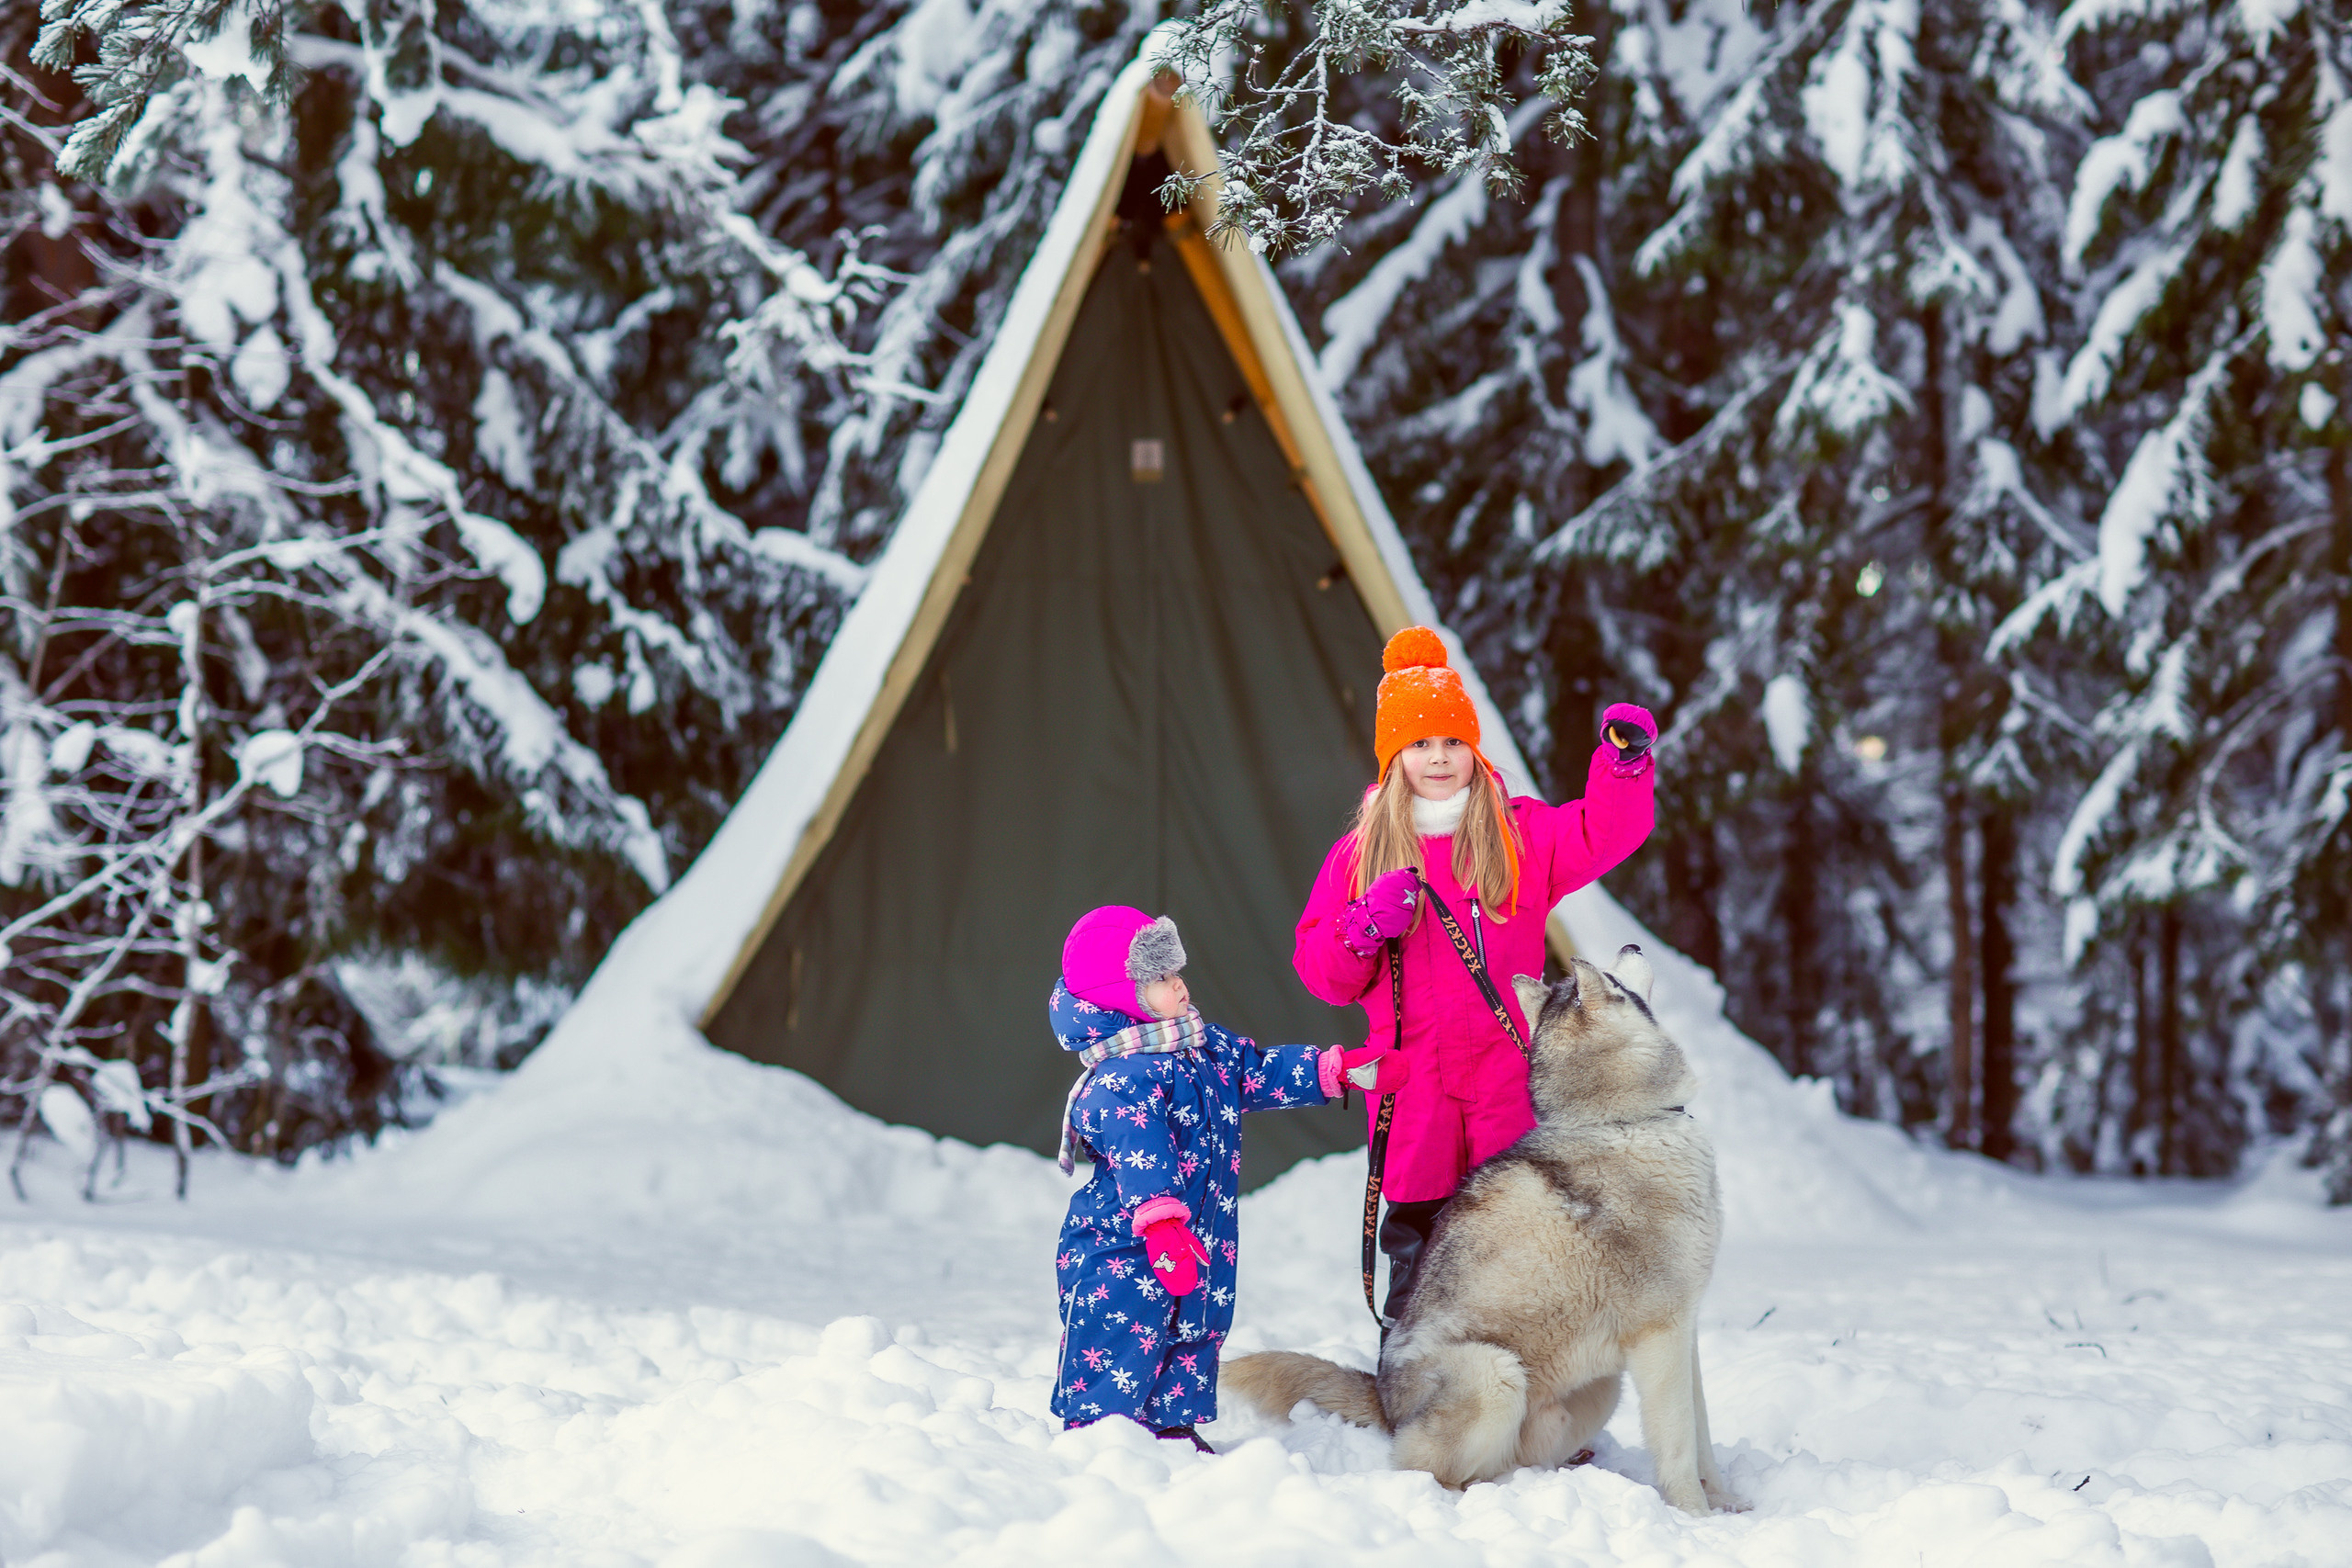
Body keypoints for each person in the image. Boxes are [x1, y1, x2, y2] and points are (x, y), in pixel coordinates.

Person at [1294, 626, 1657, 1331]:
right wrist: (1361, 926)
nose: (1438, 757)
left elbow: (1601, 835)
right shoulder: (1358, 856)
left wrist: (1620, 767)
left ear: (1474, 749)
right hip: (1415, 1093)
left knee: (1525, 1253)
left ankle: (1537, 1406)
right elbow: (1323, 974)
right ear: (1395, 756)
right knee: (1425, 1264)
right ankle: (1423, 1402)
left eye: (1452, 742)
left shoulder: (1517, 835)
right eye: (1420, 744)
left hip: (1505, 1082)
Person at [1048, 904, 1404, 1447]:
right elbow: (1142, 1155)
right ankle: (1102, 1432)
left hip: (1202, 1231)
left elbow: (1257, 1071)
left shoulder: (1200, 1048)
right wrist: (1162, 1225)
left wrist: (1336, 1071)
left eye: (1176, 972)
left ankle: (1172, 1423)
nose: (1180, 985)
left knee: (1197, 1323)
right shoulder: (1122, 1078)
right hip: (1127, 1242)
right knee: (1125, 1328)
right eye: (1162, 978)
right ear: (1123, 995)